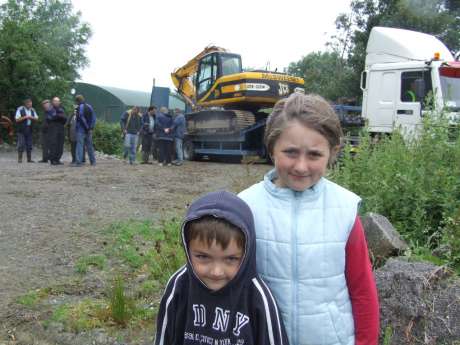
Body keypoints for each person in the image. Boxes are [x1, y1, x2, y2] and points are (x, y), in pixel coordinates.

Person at [239, 93, 380, 345]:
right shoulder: (246, 207)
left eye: (314, 155)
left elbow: (363, 291)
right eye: (290, 152)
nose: (301, 166)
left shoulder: (344, 209)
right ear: (272, 148)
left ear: (332, 153)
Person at [154, 191, 288, 345]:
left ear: (247, 253)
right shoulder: (179, 284)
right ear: (187, 248)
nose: (216, 272)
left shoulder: (257, 296)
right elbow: (165, 337)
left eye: (231, 259)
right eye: (203, 257)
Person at [73, 95, 96, 167]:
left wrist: (87, 128)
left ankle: (78, 162)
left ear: (77, 101)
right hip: (89, 130)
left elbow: (81, 118)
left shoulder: (80, 107)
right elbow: (94, 118)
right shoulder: (89, 106)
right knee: (89, 146)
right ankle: (93, 162)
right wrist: (91, 128)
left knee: (79, 145)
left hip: (81, 129)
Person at [15, 97, 38, 163]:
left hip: (30, 128)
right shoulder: (20, 109)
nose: (30, 105)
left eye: (31, 103)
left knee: (29, 144)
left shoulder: (33, 110)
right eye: (29, 103)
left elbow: (36, 119)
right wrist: (26, 117)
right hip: (21, 129)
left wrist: (31, 117)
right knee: (21, 144)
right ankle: (20, 159)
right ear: (25, 104)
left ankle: (29, 159)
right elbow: (17, 119)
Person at [47, 97, 67, 165]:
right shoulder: (50, 108)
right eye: (55, 101)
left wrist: (59, 116)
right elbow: (51, 118)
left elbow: (65, 118)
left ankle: (57, 159)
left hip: (61, 127)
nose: (57, 102)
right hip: (53, 127)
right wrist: (60, 116)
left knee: (60, 143)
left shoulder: (62, 108)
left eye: (58, 101)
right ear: (52, 102)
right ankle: (52, 160)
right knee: (53, 143)